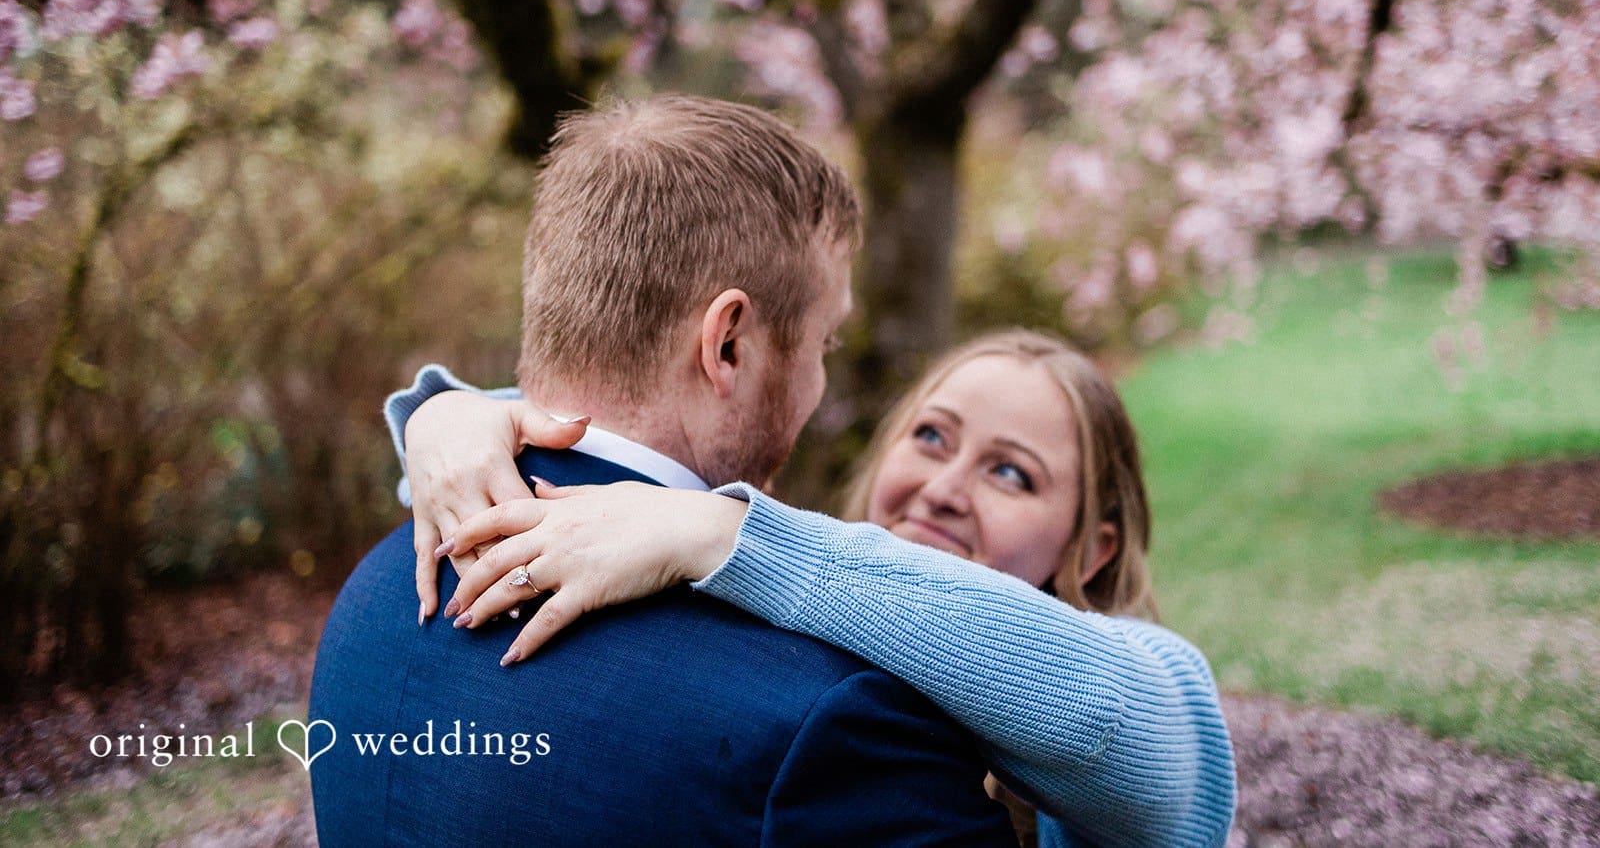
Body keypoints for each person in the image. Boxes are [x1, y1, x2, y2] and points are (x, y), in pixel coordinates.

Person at [308, 95, 1019, 846]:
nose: (821, 383)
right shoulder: (833, 719)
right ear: (728, 346)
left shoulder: (371, 598)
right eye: (825, 343)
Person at [387, 329, 1238, 848]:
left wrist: (721, 530)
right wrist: (451, 417)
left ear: (1092, 550)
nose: (944, 486)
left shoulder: (1132, 671)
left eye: (1011, 473)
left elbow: (1123, 720)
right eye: (932, 436)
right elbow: (601, 469)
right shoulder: (797, 603)